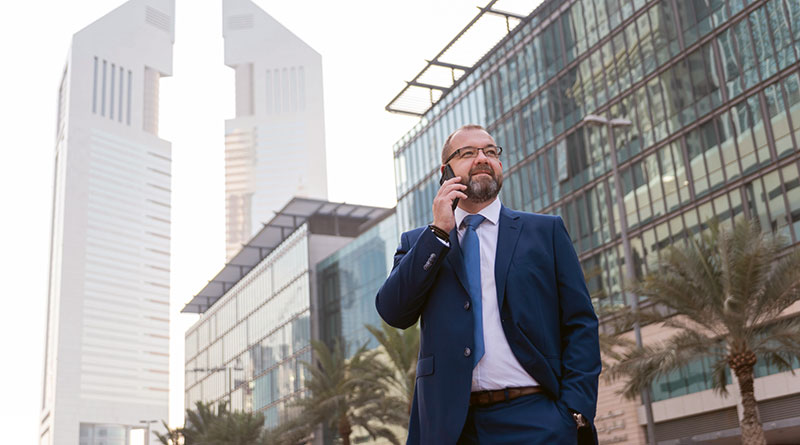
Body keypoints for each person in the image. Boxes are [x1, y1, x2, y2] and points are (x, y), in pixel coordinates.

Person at [375, 124, 601, 444]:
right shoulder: (420, 243)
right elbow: (394, 312)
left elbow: (580, 323)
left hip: (539, 419)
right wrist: (439, 232)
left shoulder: (545, 232)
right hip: (451, 428)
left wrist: (574, 411)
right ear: (445, 172)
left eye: (490, 152)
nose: (482, 158)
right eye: (467, 153)